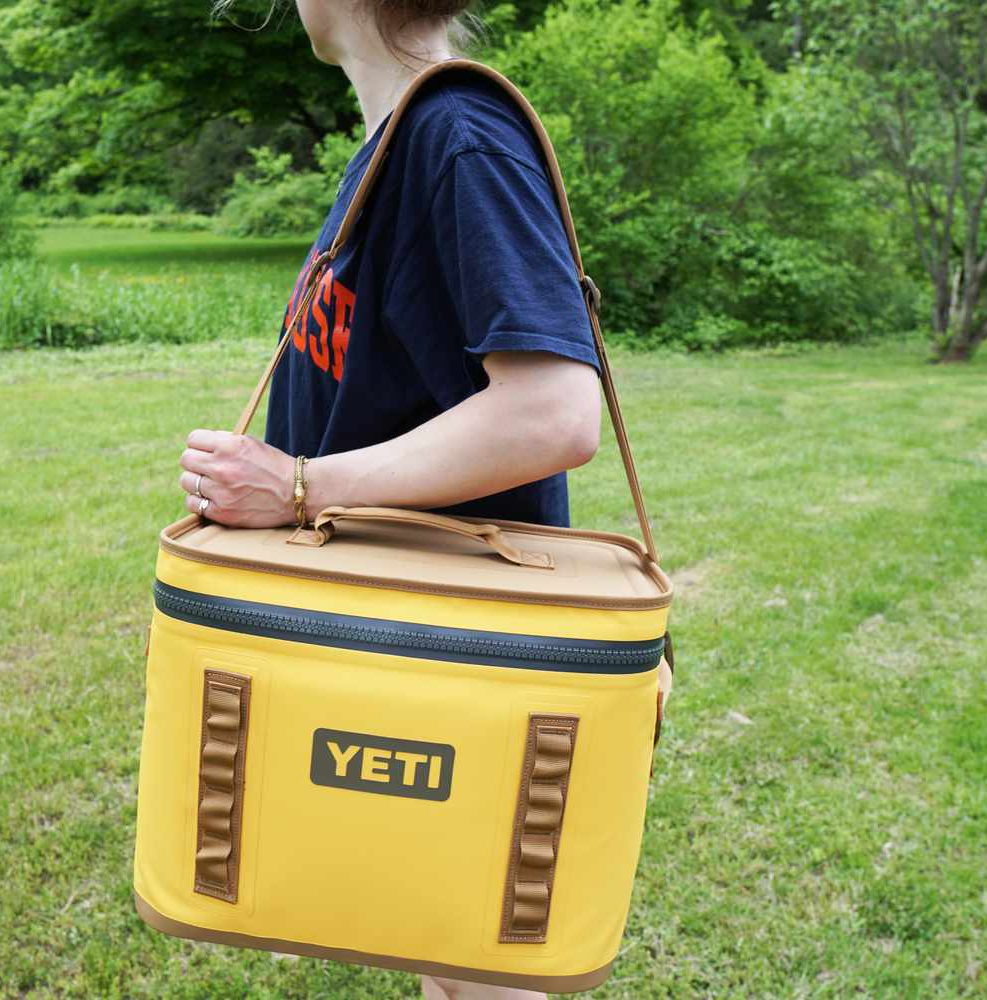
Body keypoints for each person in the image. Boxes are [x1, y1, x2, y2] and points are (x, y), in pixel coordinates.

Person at [182, 3, 670, 997]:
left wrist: (302, 488)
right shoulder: (399, 141)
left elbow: (553, 412)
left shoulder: (457, 136)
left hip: (470, 673)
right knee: (440, 950)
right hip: (409, 656)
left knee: (483, 968)